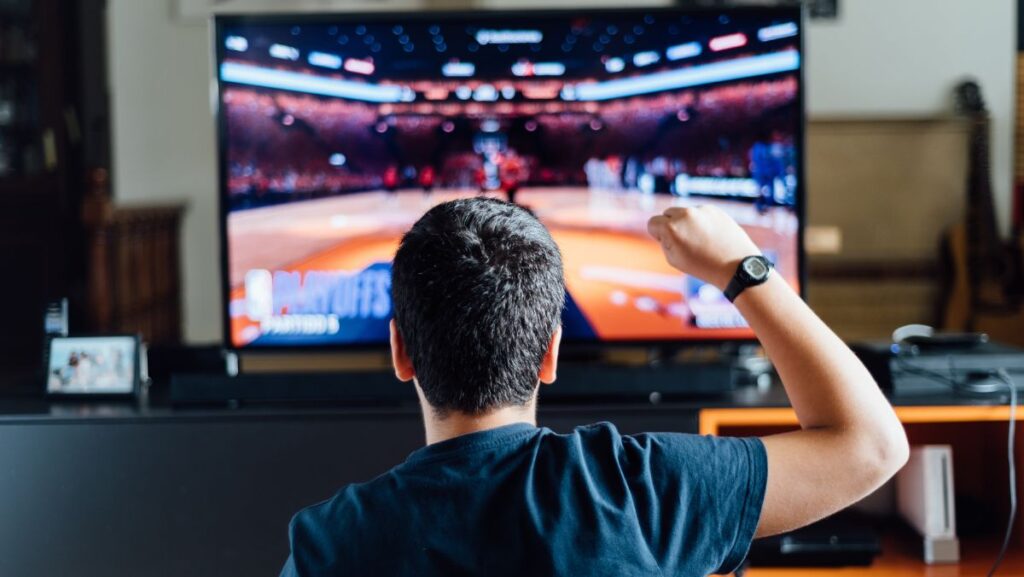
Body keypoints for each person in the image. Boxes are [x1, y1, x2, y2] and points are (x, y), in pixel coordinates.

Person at [279, 198, 908, 577]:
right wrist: (743, 269)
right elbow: (873, 446)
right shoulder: (642, 489)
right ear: (551, 353)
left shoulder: (330, 542)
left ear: (401, 352)